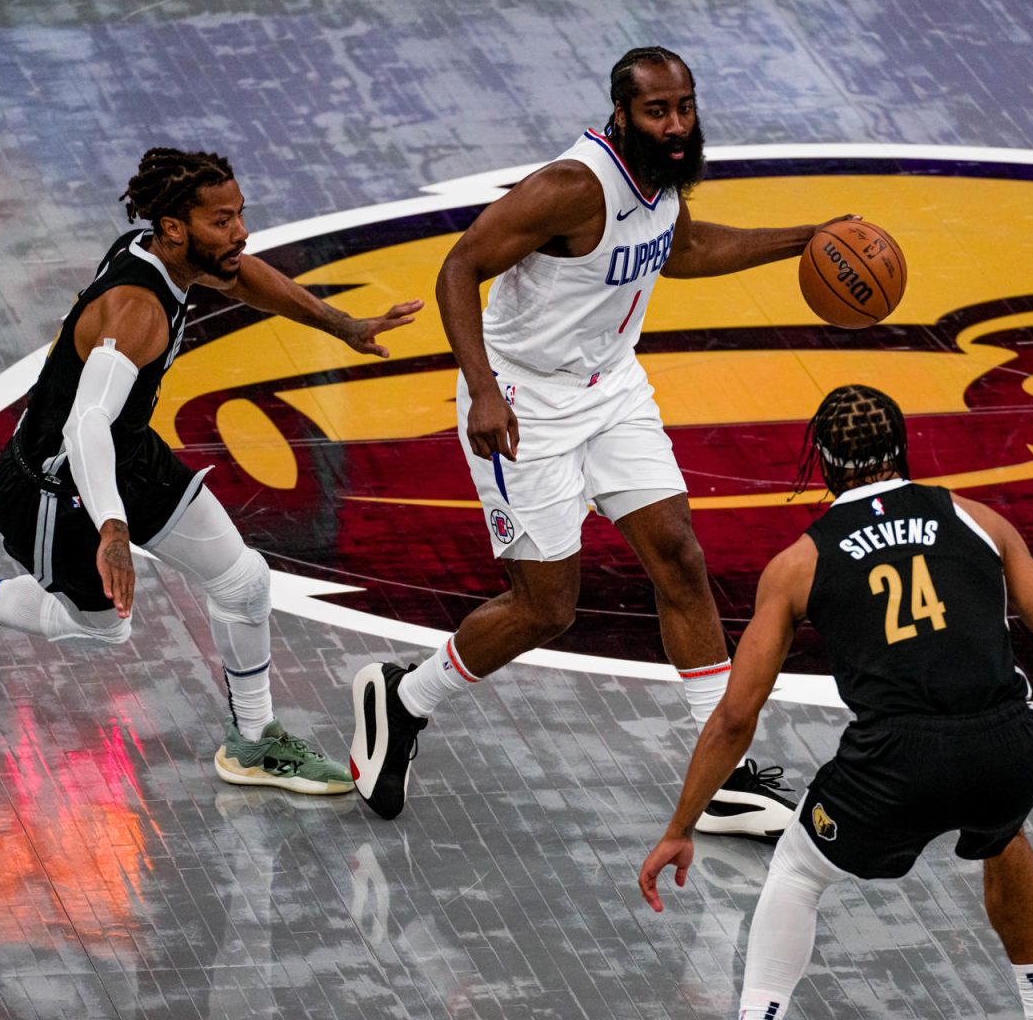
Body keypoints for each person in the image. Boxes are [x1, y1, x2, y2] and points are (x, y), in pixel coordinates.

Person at [348, 46, 844, 830]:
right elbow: (459, 266)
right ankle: (405, 698)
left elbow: (684, 249)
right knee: (546, 608)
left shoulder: (663, 176)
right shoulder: (572, 187)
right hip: (523, 399)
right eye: (658, 111)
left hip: (610, 388)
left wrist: (805, 239)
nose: (676, 124)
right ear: (623, 114)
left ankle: (721, 776)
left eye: (684, 107)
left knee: (679, 553)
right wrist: (481, 389)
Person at [637, 384, 1033, 1020]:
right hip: (1007, 748)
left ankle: (761, 1015)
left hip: (897, 765)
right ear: (903, 447)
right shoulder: (981, 522)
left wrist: (679, 828)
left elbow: (734, 717)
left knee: (800, 869)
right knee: (1003, 833)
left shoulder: (798, 564)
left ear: (825, 463)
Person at [0, 147, 422, 795]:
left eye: (239, 214)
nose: (240, 231)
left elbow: (242, 279)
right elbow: (85, 428)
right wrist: (112, 530)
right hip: (55, 491)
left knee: (242, 583)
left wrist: (342, 324)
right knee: (99, 630)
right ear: (175, 227)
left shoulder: (166, 253)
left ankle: (251, 742)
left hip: (129, 458)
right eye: (222, 220)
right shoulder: (139, 313)